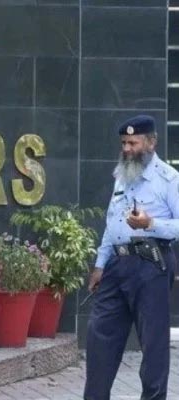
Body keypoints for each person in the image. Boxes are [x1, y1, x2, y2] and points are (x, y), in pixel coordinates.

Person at [84, 115, 178, 400]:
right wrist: (100, 265)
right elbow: (111, 224)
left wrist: (151, 224)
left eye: (133, 143)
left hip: (151, 266)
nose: (126, 148)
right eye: (124, 143)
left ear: (151, 143)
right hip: (116, 265)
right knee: (99, 337)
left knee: (153, 346)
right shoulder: (122, 175)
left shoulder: (169, 180)